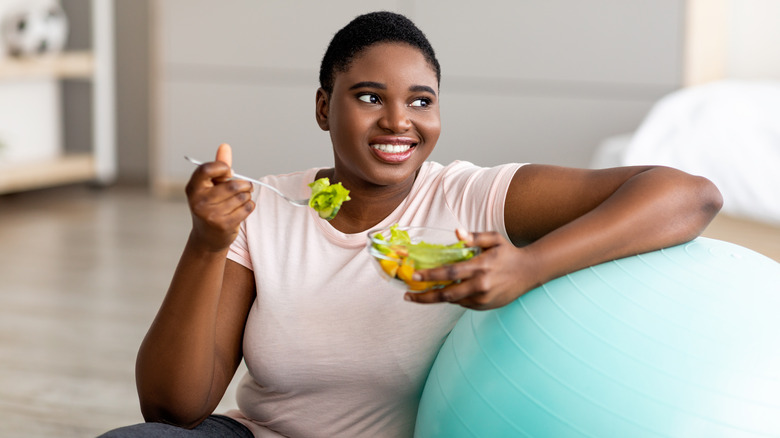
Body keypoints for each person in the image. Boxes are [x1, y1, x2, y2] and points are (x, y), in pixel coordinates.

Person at [99, 10, 722, 438]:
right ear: (324, 106)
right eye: (369, 96)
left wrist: (528, 267)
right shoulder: (262, 210)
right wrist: (207, 245)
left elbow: (689, 196)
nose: (399, 121)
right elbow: (171, 410)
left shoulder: (476, 196)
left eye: (420, 101)